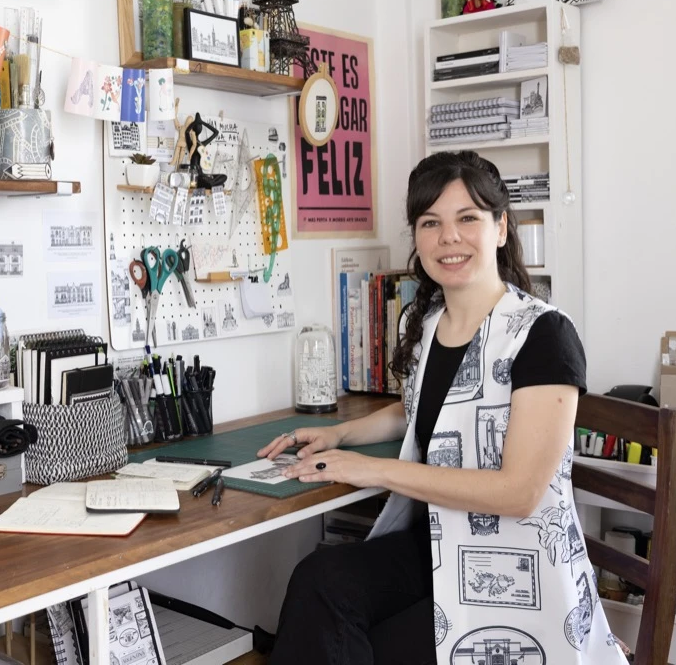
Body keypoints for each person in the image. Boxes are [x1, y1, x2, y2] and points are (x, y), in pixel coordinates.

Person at [259, 151, 626, 664]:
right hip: (438, 543)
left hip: (516, 570)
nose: (448, 237)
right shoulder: (430, 321)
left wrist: (376, 471)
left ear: (500, 228)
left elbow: (520, 493)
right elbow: (424, 409)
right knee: (321, 582)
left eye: (467, 219)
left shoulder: (544, 334)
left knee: (363, 646)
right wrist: (342, 437)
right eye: (430, 223)